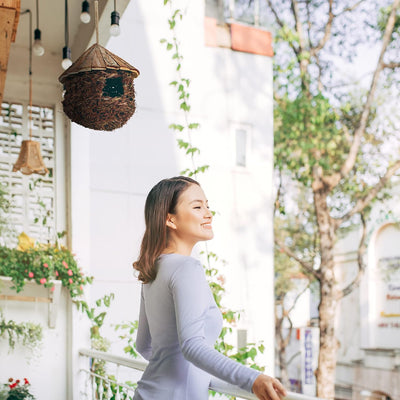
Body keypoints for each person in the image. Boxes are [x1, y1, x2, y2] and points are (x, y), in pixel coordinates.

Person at [132, 176, 287, 400]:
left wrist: (195, 374)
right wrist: (252, 379)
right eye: (197, 206)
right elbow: (192, 346)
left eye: (207, 205)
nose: (208, 213)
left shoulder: (153, 270)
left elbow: (144, 346)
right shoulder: (186, 268)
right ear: (171, 220)